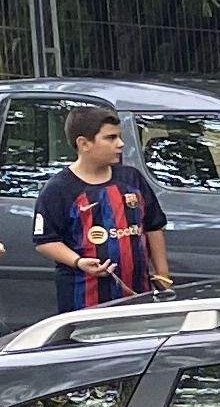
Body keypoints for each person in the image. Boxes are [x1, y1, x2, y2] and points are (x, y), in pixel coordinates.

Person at [34, 103, 168, 311]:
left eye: (119, 136)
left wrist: (163, 275)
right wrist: (78, 261)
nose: (121, 144)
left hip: (137, 295)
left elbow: (153, 226)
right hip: (83, 299)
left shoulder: (131, 179)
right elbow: (45, 241)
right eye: (111, 138)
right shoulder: (58, 189)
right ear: (84, 144)